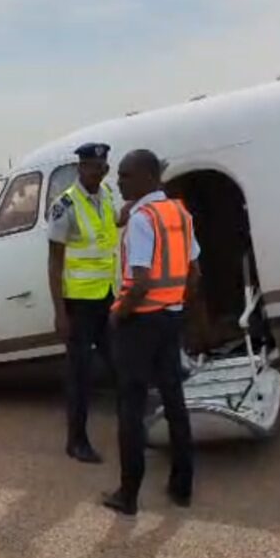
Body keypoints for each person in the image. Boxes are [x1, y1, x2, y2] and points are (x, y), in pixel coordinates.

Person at [102, 149, 201, 516]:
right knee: (174, 400)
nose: (119, 182)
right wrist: (176, 304)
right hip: (171, 318)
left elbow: (140, 282)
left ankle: (128, 494)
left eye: (125, 175)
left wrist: (119, 314)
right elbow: (194, 273)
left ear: (147, 177)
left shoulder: (143, 220)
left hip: (140, 323)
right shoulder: (180, 214)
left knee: (131, 406)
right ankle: (182, 485)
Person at [47, 142, 127, 464]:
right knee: (80, 376)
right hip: (78, 304)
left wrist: (138, 205)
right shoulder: (65, 205)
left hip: (106, 298)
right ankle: (76, 441)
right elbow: (54, 262)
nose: (97, 172)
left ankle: (132, 430)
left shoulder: (106, 194)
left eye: (102, 167)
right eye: (91, 166)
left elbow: (113, 223)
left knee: (120, 365)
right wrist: (59, 313)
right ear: (80, 168)